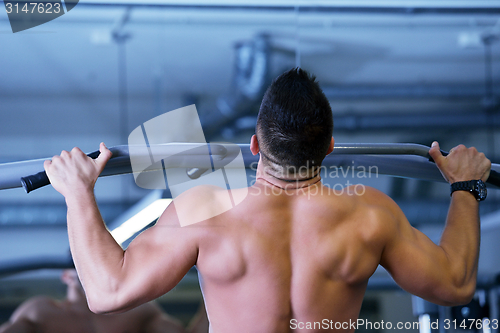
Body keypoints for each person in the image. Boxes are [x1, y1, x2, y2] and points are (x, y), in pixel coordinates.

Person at [43, 68, 491, 333]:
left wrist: (78, 192)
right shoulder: (370, 215)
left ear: (255, 145)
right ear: (330, 146)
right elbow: (454, 285)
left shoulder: (204, 212)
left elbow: (106, 292)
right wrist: (465, 187)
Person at [0, 269, 208, 333]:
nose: (90, 272)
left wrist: (214, 283)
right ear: (67, 276)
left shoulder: (137, 311)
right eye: (82, 266)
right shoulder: (42, 311)